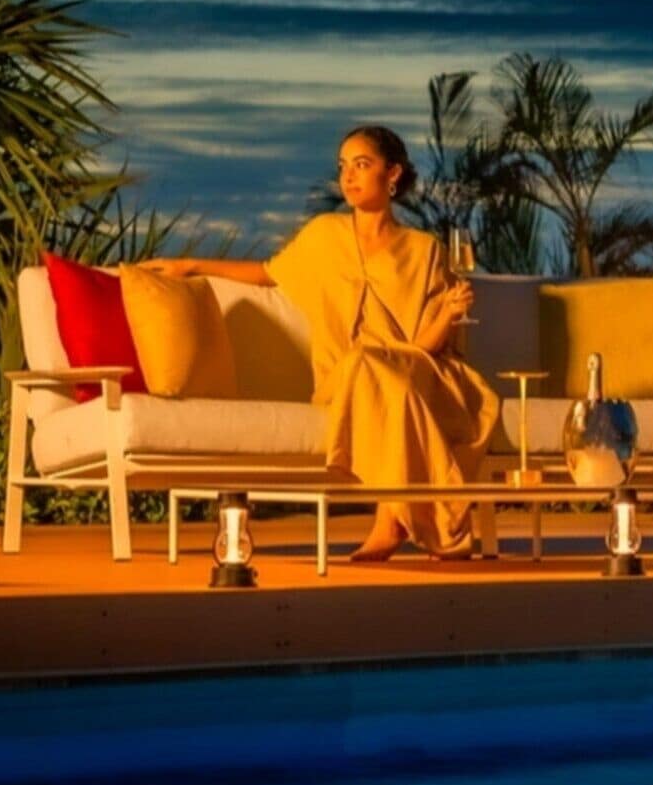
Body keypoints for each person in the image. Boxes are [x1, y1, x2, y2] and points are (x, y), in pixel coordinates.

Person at [160, 127, 499, 563]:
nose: (349, 177)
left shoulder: (425, 250)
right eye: (343, 167)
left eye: (362, 165)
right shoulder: (324, 235)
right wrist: (190, 264)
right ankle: (437, 520)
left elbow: (423, 348)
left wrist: (449, 313)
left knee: (388, 375)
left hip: (414, 372)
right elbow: (268, 272)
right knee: (363, 362)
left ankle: (392, 520)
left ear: (392, 173)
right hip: (345, 379)